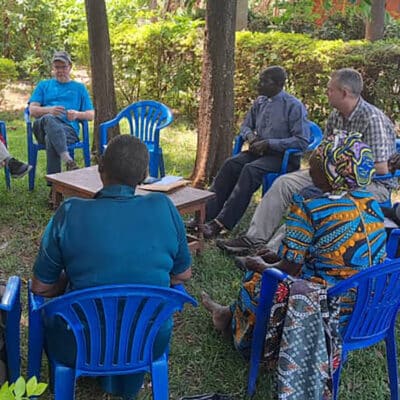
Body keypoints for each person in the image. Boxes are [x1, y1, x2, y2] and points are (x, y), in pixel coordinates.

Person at [201, 133, 386, 396]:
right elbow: (321, 257)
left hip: (327, 311)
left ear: (331, 172)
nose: (310, 168)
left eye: (317, 163)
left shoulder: (310, 207)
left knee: (257, 280)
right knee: (268, 267)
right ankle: (226, 314)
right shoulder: (372, 205)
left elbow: (289, 271)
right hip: (367, 309)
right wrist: (274, 258)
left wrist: (260, 264)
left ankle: (236, 330)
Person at [31, 135, 192, 399]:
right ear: (144, 175)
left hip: (77, 344)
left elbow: (41, 287)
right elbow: (183, 273)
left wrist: (68, 281)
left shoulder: (70, 211)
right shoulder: (164, 207)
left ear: (100, 170)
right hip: (148, 341)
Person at [218, 67, 397, 255]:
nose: (326, 93)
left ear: (344, 93)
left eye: (330, 90)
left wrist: (337, 173)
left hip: (370, 184)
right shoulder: (336, 115)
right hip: (333, 174)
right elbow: (324, 151)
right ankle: (253, 239)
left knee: (313, 196)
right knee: (284, 183)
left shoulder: (372, 119)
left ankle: (272, 253)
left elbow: (382, 168)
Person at [200, 66, 310, 239]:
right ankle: (205, 215)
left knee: (250, 170)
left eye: (264, 81)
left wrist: (270, 143)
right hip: (259, 151)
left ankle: (221, 223)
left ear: (279, 85)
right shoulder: (259, 102)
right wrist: (251, 137)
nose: (259, 84)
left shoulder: (293, 106)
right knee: (230, 164)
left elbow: (302, 141)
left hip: (282, 158)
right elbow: (245, 126)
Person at [28, 50, 94, 175]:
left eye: (63, 67)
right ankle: (68, 159)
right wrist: (49, 110)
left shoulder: (79, 88)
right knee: (49, 119)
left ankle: (54, 189)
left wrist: (77, 114)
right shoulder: (43, 85)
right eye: (57, 67)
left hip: (68, 130)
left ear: (70, 67)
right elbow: (32, 110)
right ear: (53, 68)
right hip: (42, 128)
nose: (60, 70)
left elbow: (91, 114)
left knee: (51, 139)